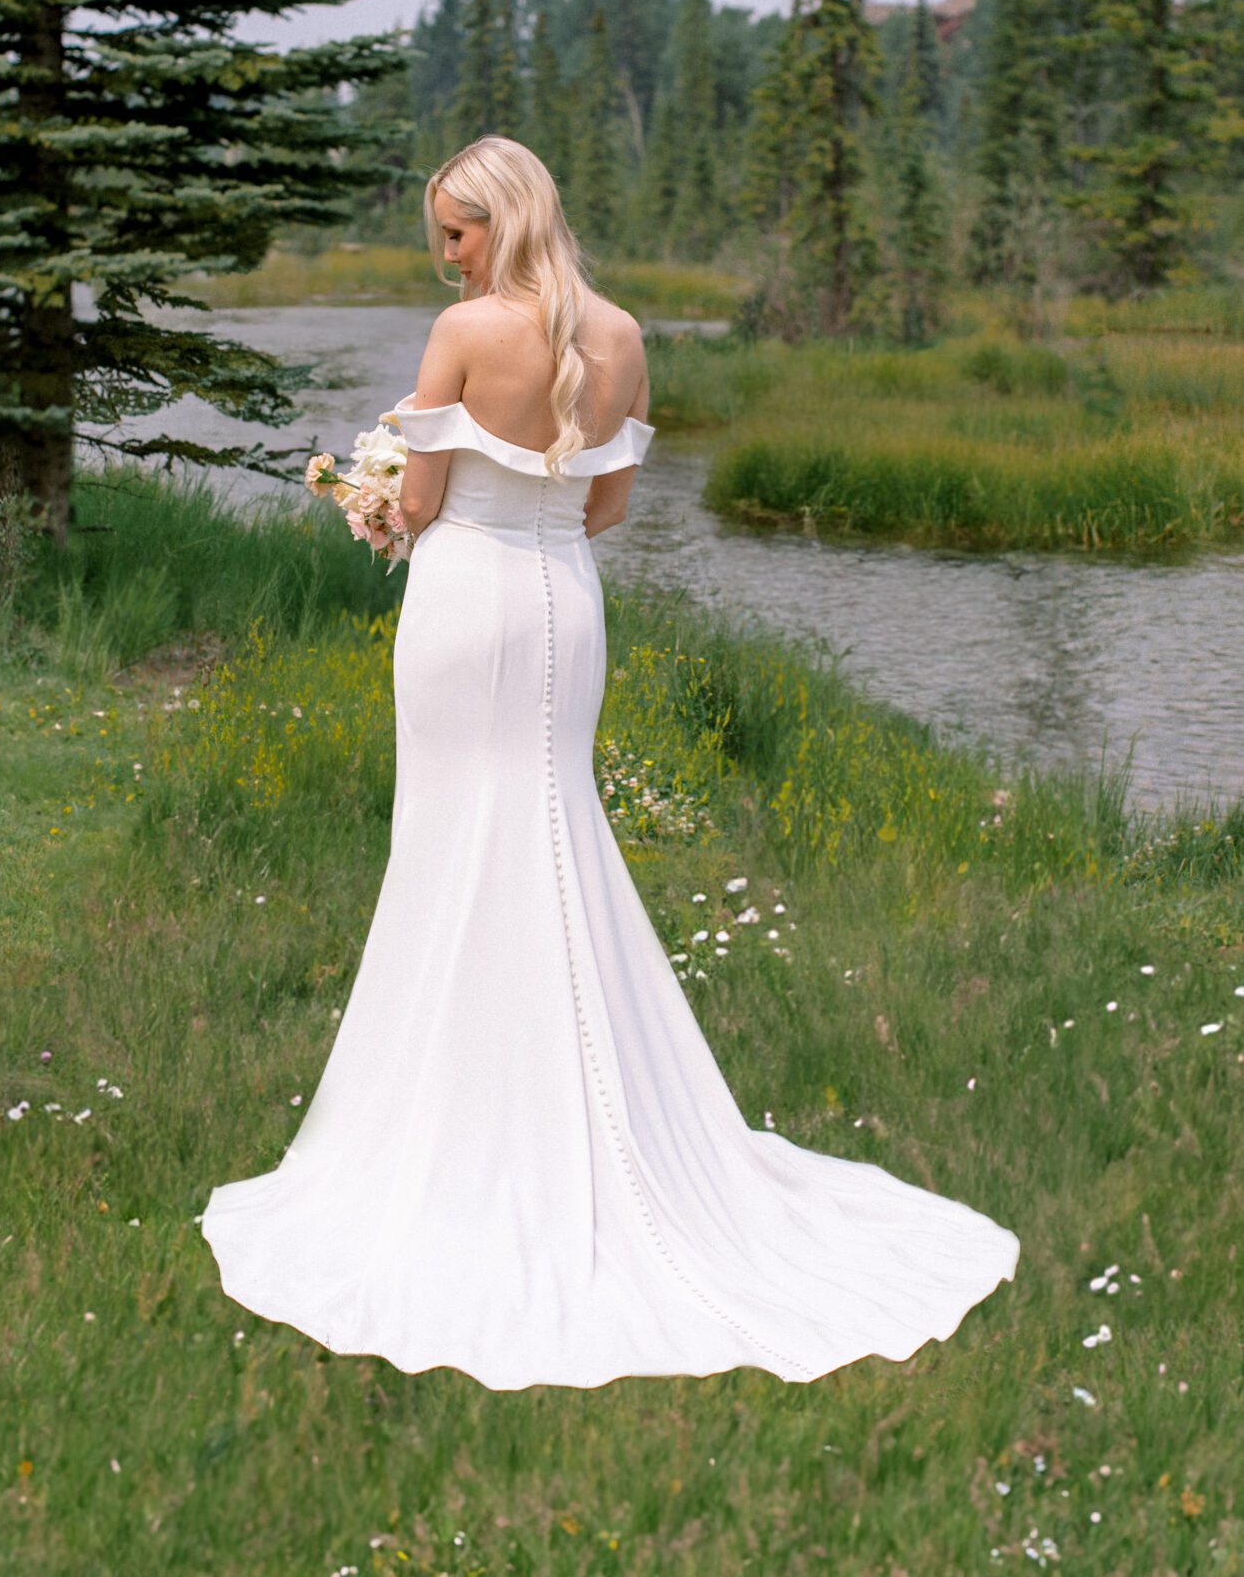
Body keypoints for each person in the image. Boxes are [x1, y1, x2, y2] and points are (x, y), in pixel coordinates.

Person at [200, 134, 1019, 1389]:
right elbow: (606, 511)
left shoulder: (467, 330)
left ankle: (467, 1120)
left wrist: (378, 501)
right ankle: (584, 1105)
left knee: (457, 835)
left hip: (467, 600)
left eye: (458, 231)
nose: (447, 253)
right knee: (548, 824)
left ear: (503, 221)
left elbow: (418, 502)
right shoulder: (626, 338)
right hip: (562, 605)